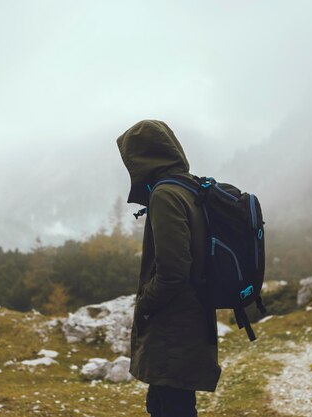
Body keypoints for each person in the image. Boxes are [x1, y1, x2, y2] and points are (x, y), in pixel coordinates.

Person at [116, 120, 221, 417]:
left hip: (174, 322)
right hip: (191, 314)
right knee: (165, 401)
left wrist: (146, 303)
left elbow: (174, 269)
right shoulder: (189, 187)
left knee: (172, 406)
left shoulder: (165, 195)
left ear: (143, 156)